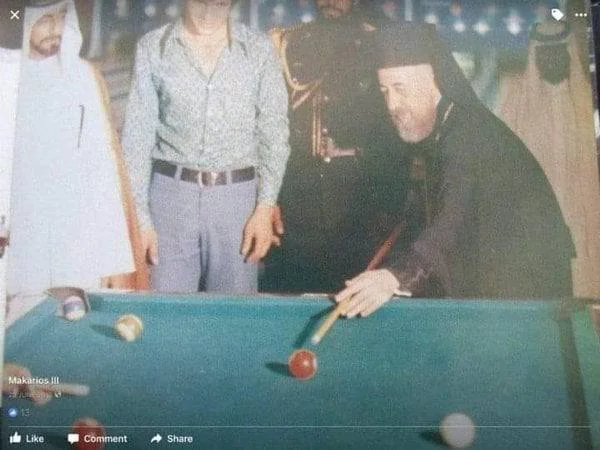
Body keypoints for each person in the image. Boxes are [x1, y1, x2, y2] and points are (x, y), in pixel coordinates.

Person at [336, 23, 574, 318]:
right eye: (384, 91)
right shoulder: (445, 126)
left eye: (400, 89)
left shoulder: (465, 135)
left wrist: (395, 277)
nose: (392, 104)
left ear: (434, 81)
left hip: (529, 284)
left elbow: (451, 219)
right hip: (499, 268)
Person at [121, 0, 290, 293]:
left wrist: (264, 207)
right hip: (170, 201)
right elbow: (136, 139)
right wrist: (142, 221)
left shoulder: (259, 50)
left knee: (234, 313)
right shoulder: (153, 48)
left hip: (237, 204)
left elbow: (274, 134)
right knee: (166, 310)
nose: (211, 9)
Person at [264, 0, 406, 293]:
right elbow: (269, 126)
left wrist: (391, 205)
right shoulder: (289, 43)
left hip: (360, 202)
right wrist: (269, 197)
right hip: (297, 203)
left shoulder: (382, 43)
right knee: (288, 293)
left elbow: (394, 137)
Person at [6, 0, 137, 295]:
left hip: (77, 246)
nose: (56, 29)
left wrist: (113, 260)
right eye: (44, 20)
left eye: (62, 17)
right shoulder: (6, 80)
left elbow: (102, 174)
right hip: (22, 245)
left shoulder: (84, 78)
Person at [500, 20, 600, 298]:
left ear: (569, 54)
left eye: (559, 52)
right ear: (535, 56)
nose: (553, 59)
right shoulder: (515, 101)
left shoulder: (587, 102)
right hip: (534, 227)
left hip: (582, 223)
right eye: (546, 53)